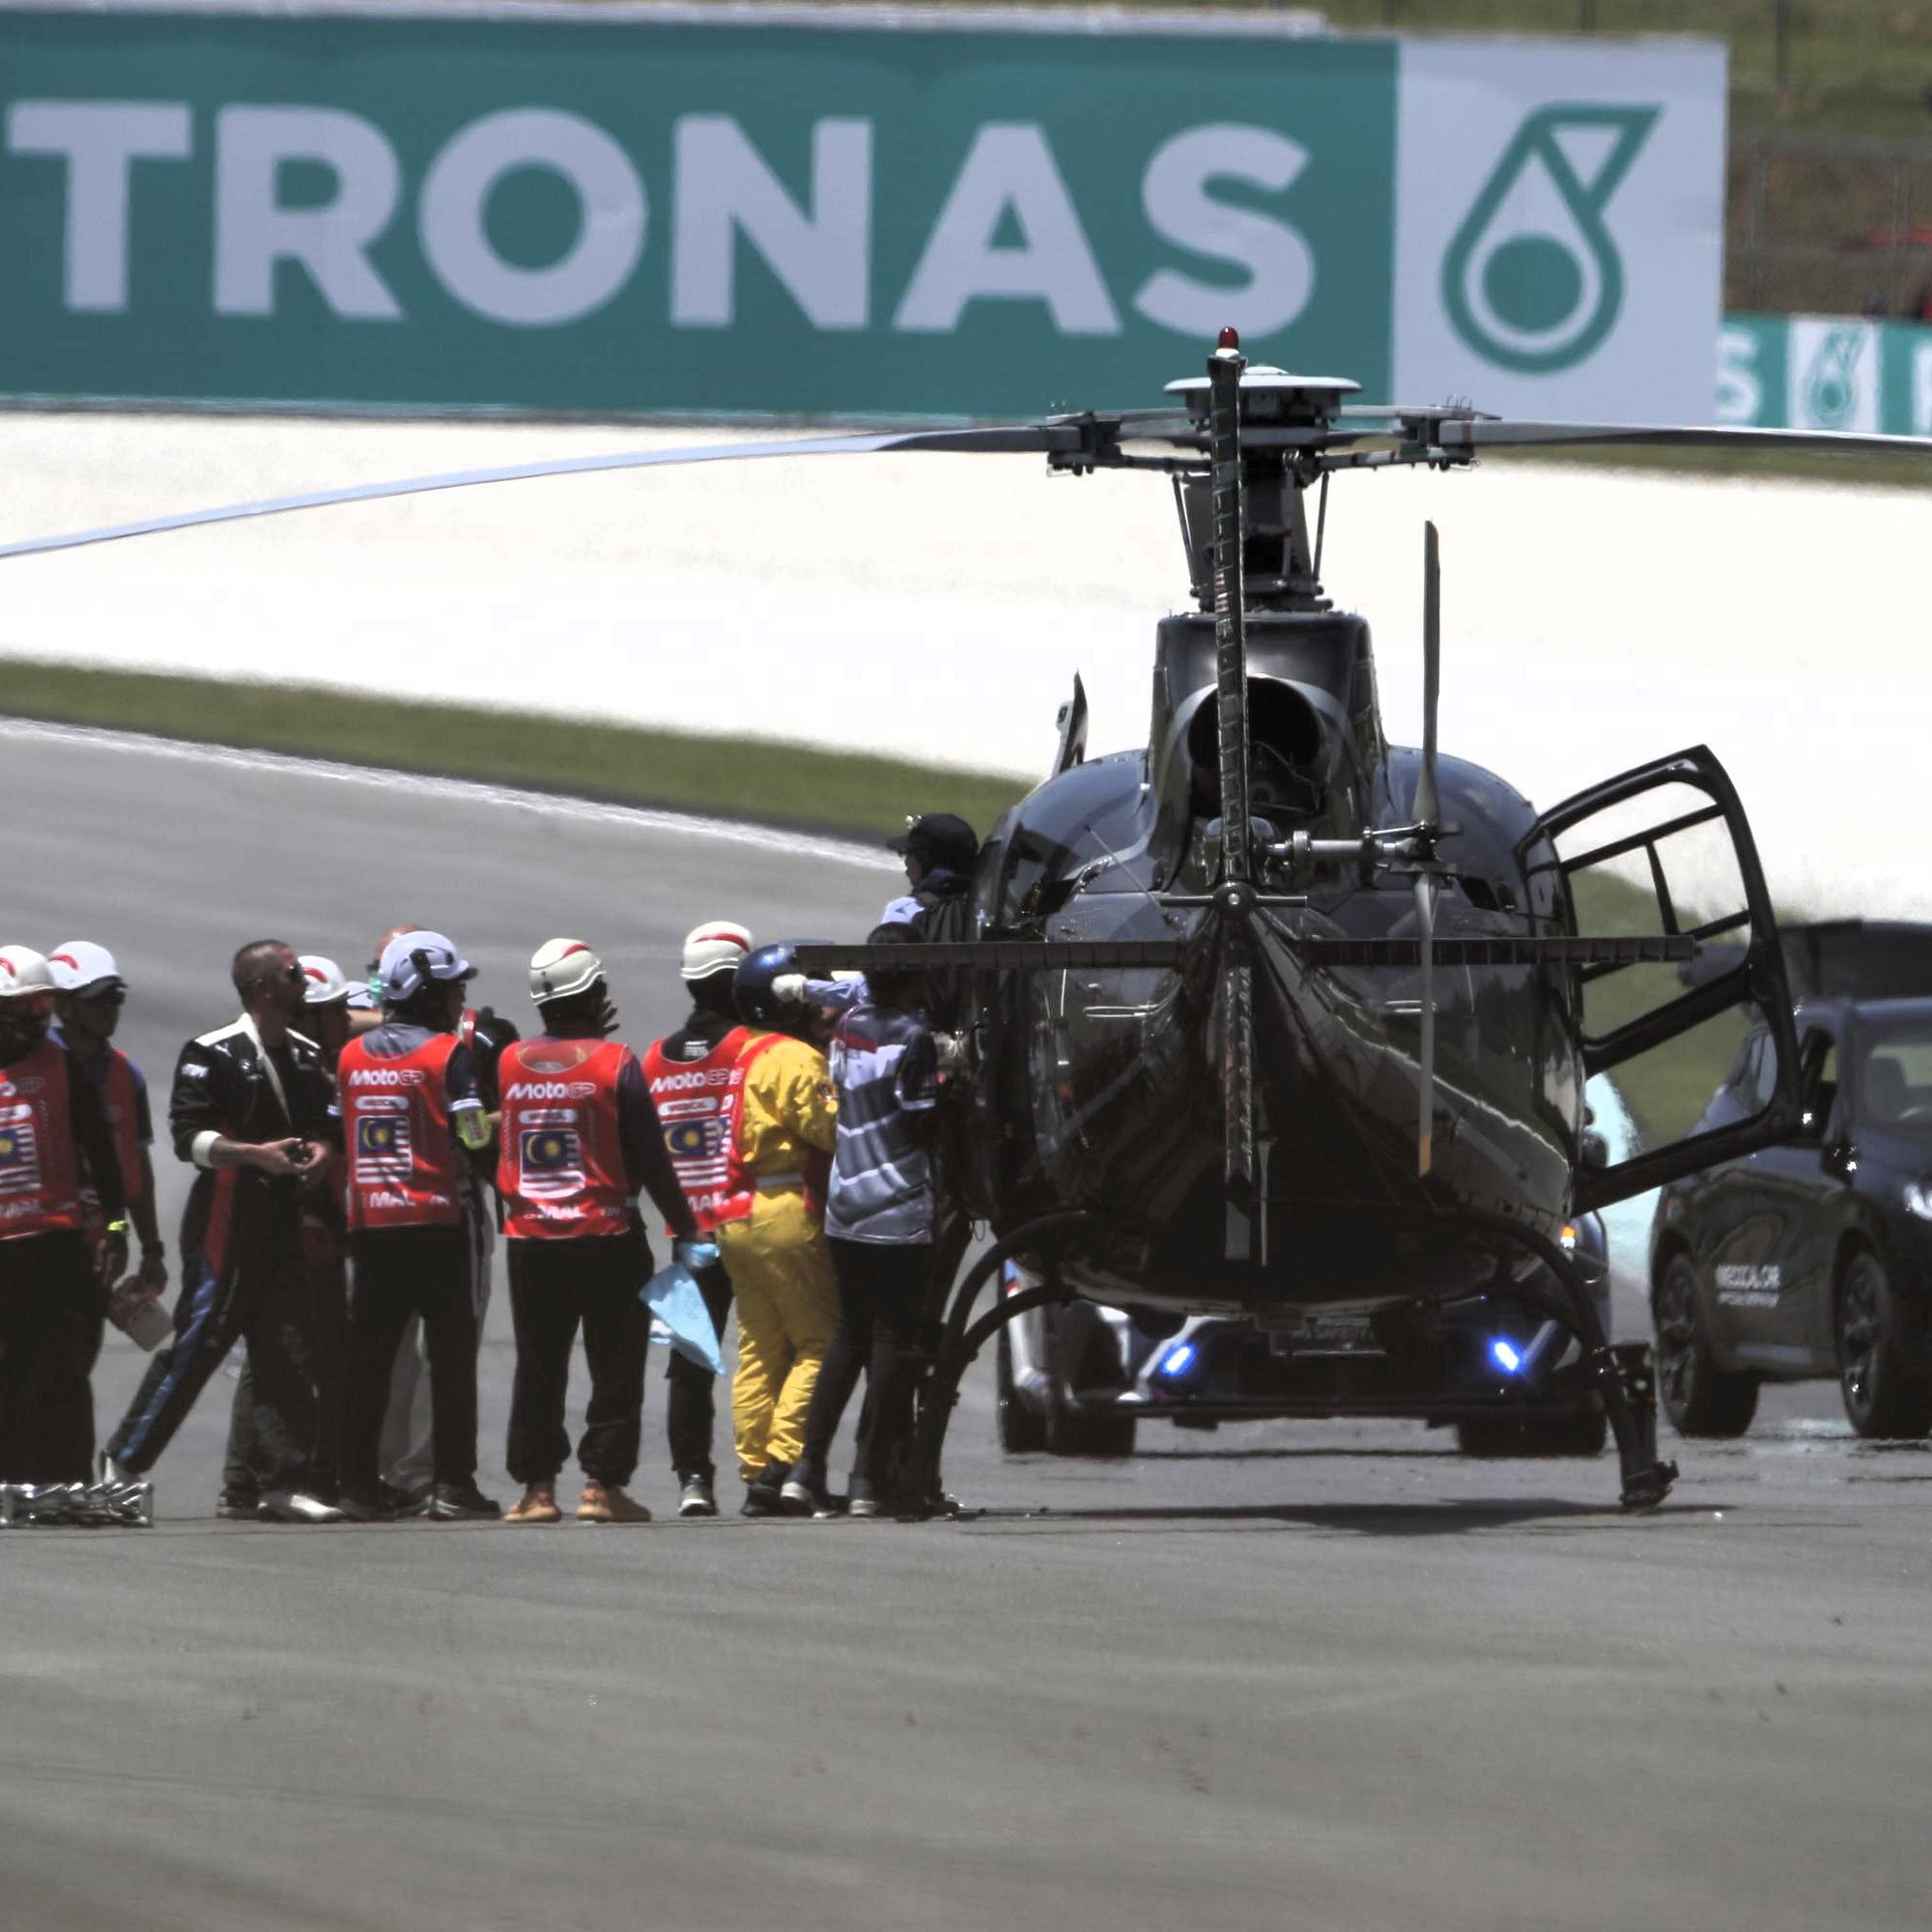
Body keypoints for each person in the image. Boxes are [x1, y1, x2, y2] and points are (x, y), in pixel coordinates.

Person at [103, 940, 339, 1520]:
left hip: (283, 1220)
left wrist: (324, 1153)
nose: (302, 978)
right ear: (262, 987)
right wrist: (257, 1155)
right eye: (291, 972)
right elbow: (189, 1138)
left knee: (286, 1347)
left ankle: (282, 1481)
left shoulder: (308, 1055)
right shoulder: (210, 1051)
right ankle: (123, 1463)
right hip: (225, 1220)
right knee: (200, 1343)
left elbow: (326, 1120)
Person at [497, 939, 702, 1525]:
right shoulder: (616, 1062)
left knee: (538, 1364)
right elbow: (652, 1155)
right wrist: (684, 1226)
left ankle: (537, 1490)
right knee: (616, 1362)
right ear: (593, 995)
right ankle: (601, 1487)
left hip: (531, 1238)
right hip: (608, 1233)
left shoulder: (509, 1062)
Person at [333, 931, 497, 1522]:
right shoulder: (446, 1054)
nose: (459, 1001)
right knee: (451, 1362)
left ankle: (355, 1482)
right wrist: (497, 1172)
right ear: (426, 993)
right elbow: (472, 1130)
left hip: (371, 1225)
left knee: (368, 1360)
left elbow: (334, 1128)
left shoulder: (350, 1056)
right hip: (435, 1224)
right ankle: (453, 1486)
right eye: (454, 989)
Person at [783, 927, 943, 1519]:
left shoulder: (847, 1027)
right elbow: (921, 1122)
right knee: (892, 1344)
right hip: (897, 1208)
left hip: (845, 1205)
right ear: (910, 976)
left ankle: (806, 1467)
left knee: (848, 1336)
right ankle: (866, 1480)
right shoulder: (915, 1038)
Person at [218, 954, 354, 1519]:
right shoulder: (293, 1069)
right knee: (280, 1356)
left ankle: (270, 1476)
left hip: (312, 1231)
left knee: (293, 1355)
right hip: (291, 1231)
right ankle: (249, 1481)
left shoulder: (307, 1060)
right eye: (335, 1013)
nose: (346, 1022)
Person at [715, 947, 839, 1516]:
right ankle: (784, 1464)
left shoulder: (739, 1053)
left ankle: (754, 1470)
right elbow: (828, 1129)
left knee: (759, 1349)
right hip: (785, 1206)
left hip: (734, 1212)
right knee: (820, 1343)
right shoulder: (796, 1057)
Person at [640, 921, 755, 1518]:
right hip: (749, 1221)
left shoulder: (655, 1059)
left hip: (687, 1232)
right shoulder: (753, 1048)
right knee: (771, 1350)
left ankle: (693, 1478)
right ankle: (774, 1474)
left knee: (688, 1361)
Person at [0, 946, 127, 1485]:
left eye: (46, 1005)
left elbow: (102, 1150)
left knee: (64, 1367)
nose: (42, 1020)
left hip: (56, 1242)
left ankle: (66, 1481)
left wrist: (116, 1228)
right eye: (30, 1008)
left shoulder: (61, 1062)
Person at [46, 941, 163, 1476]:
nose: (110, 1012)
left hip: (97, 1245)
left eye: (115, 1000)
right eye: (98, 1002)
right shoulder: (30, 1066)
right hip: (32, 1240)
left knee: (75, 1363)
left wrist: (149, 1243)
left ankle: (68, 1476)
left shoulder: (126, 1076)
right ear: (63, 1005)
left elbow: (133, 1173)